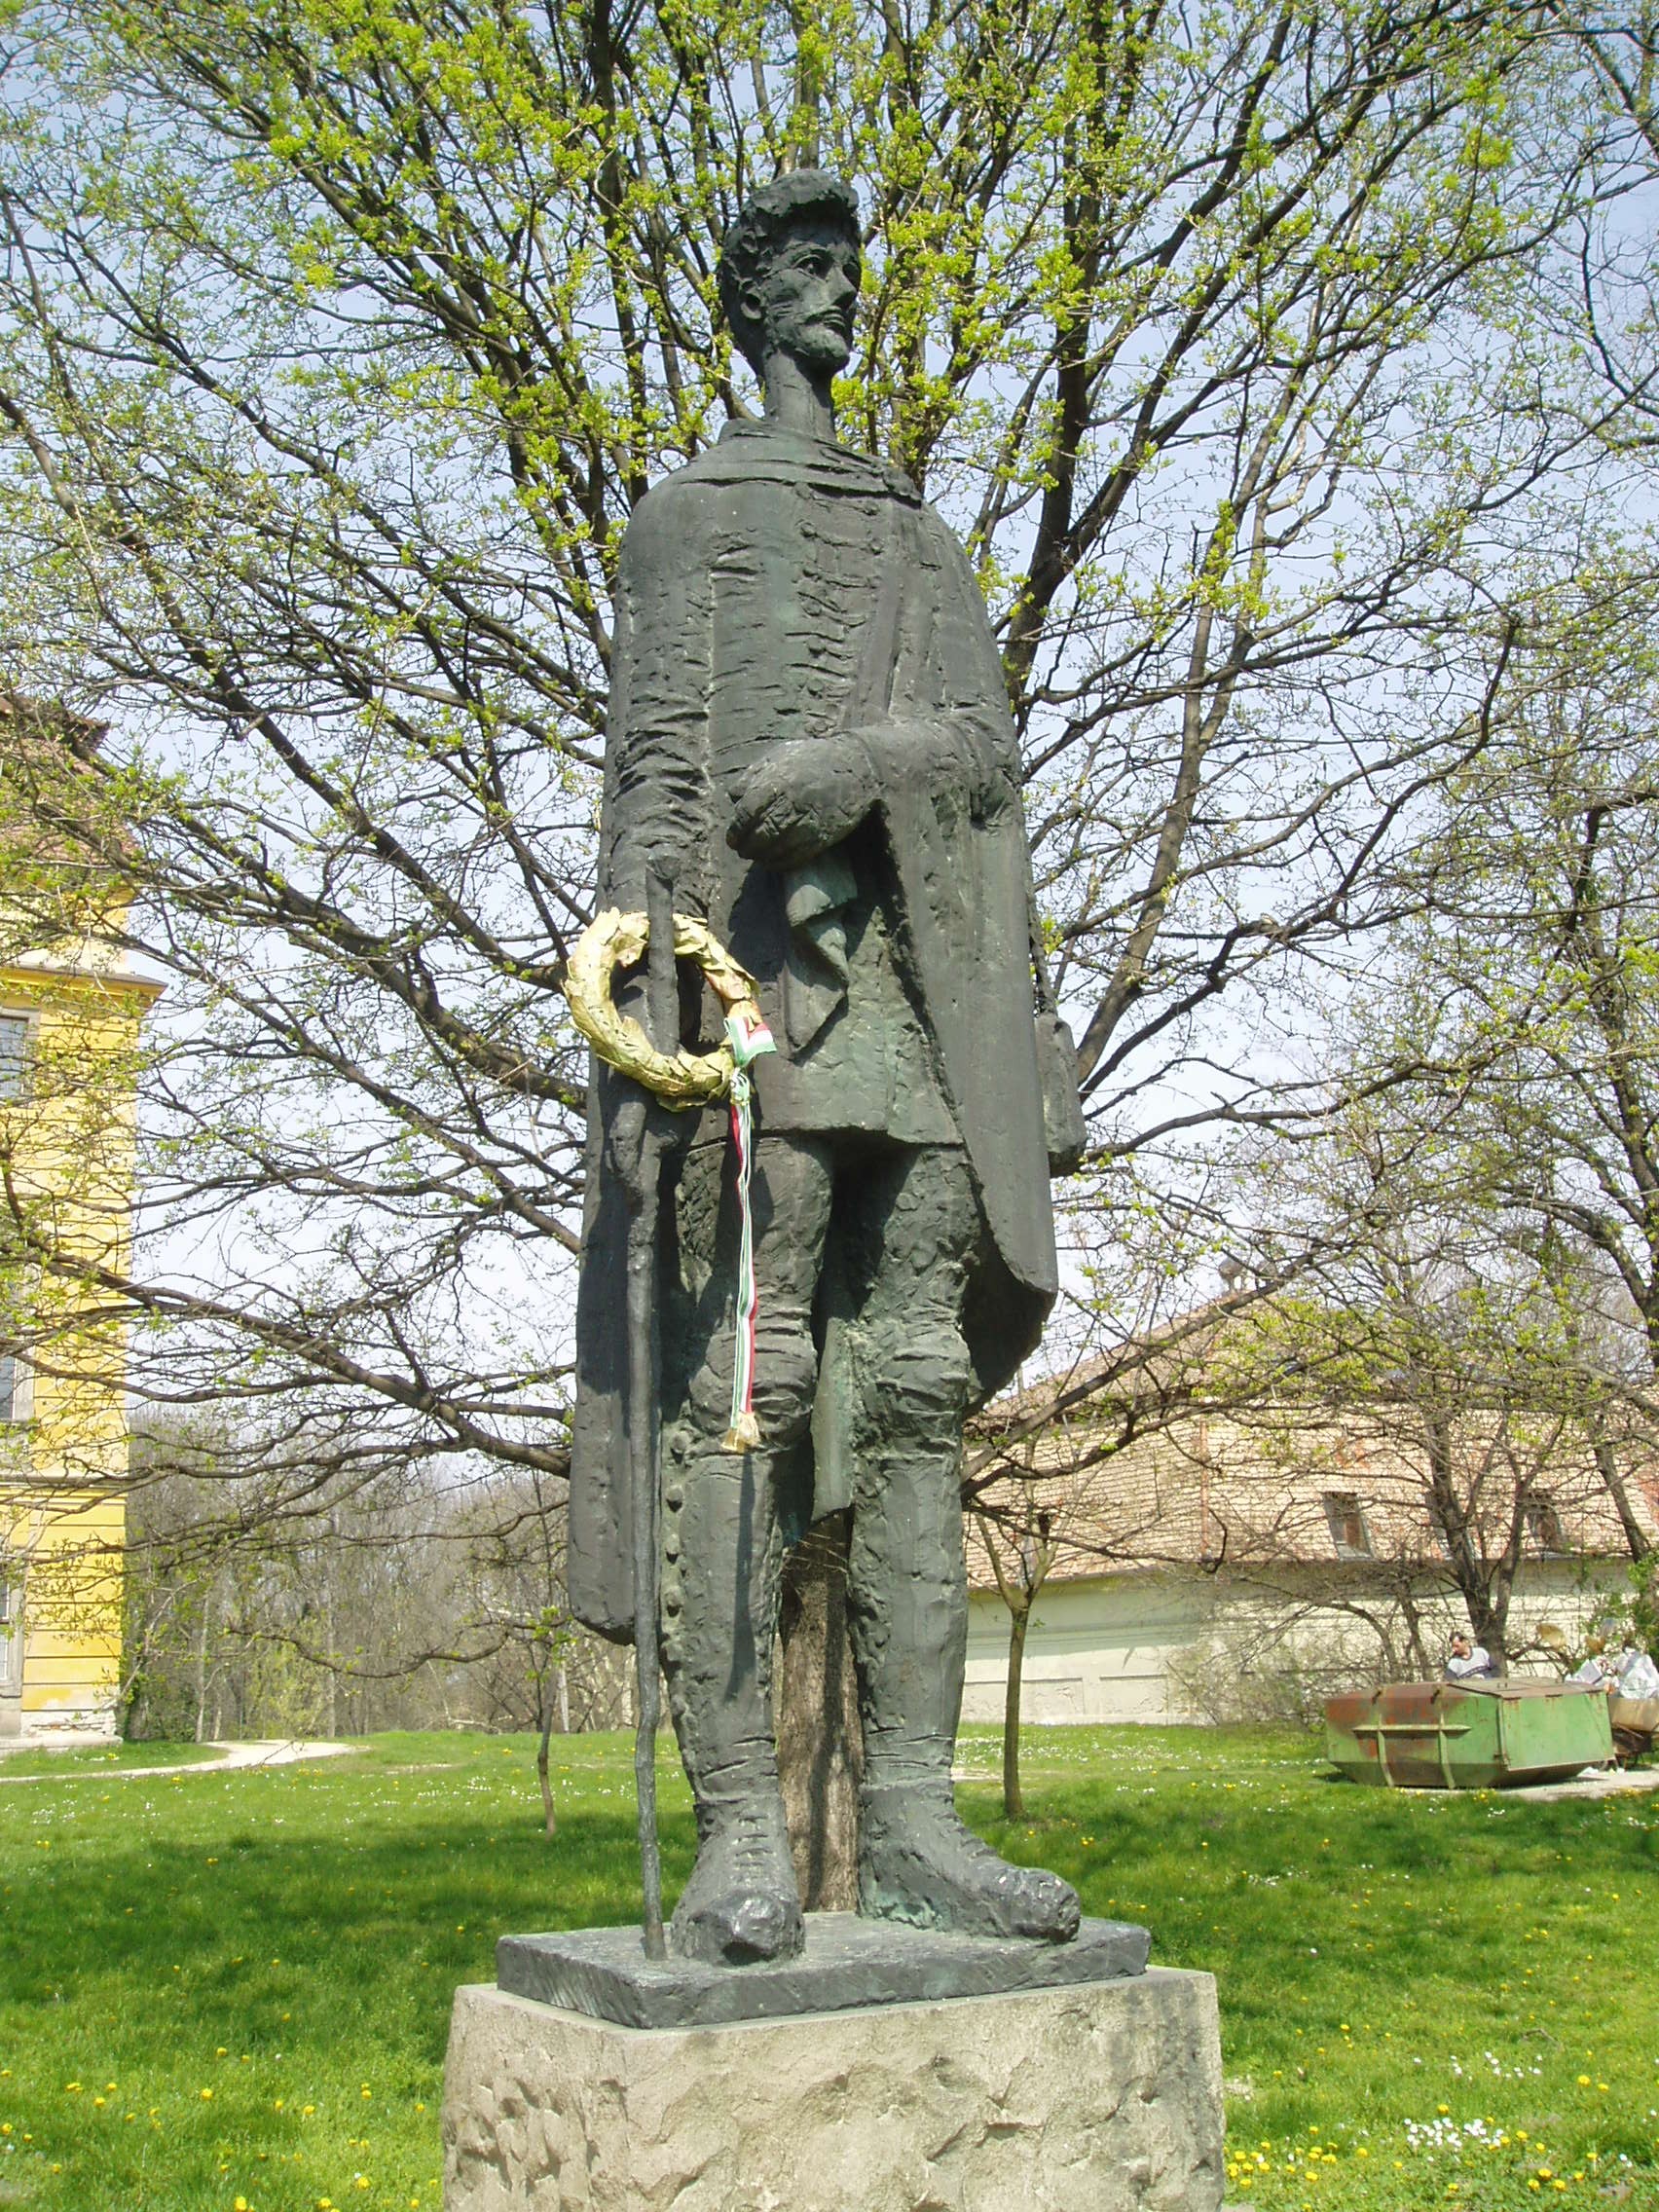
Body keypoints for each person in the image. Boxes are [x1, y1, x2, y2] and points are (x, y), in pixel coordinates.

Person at [569, 170, 1081, 1965]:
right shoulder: (684, 521)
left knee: (921, 1382)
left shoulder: (922, 541)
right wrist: (648, 1004)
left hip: (914, 1008)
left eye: (851, 269)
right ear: (746, 296)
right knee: (752, 1374)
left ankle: (918, 1819)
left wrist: (862, 768)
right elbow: (650, 776)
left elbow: (986, 763)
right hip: (747, 998)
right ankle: (740, 1841)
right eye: (804, 267)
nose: (839, 294)